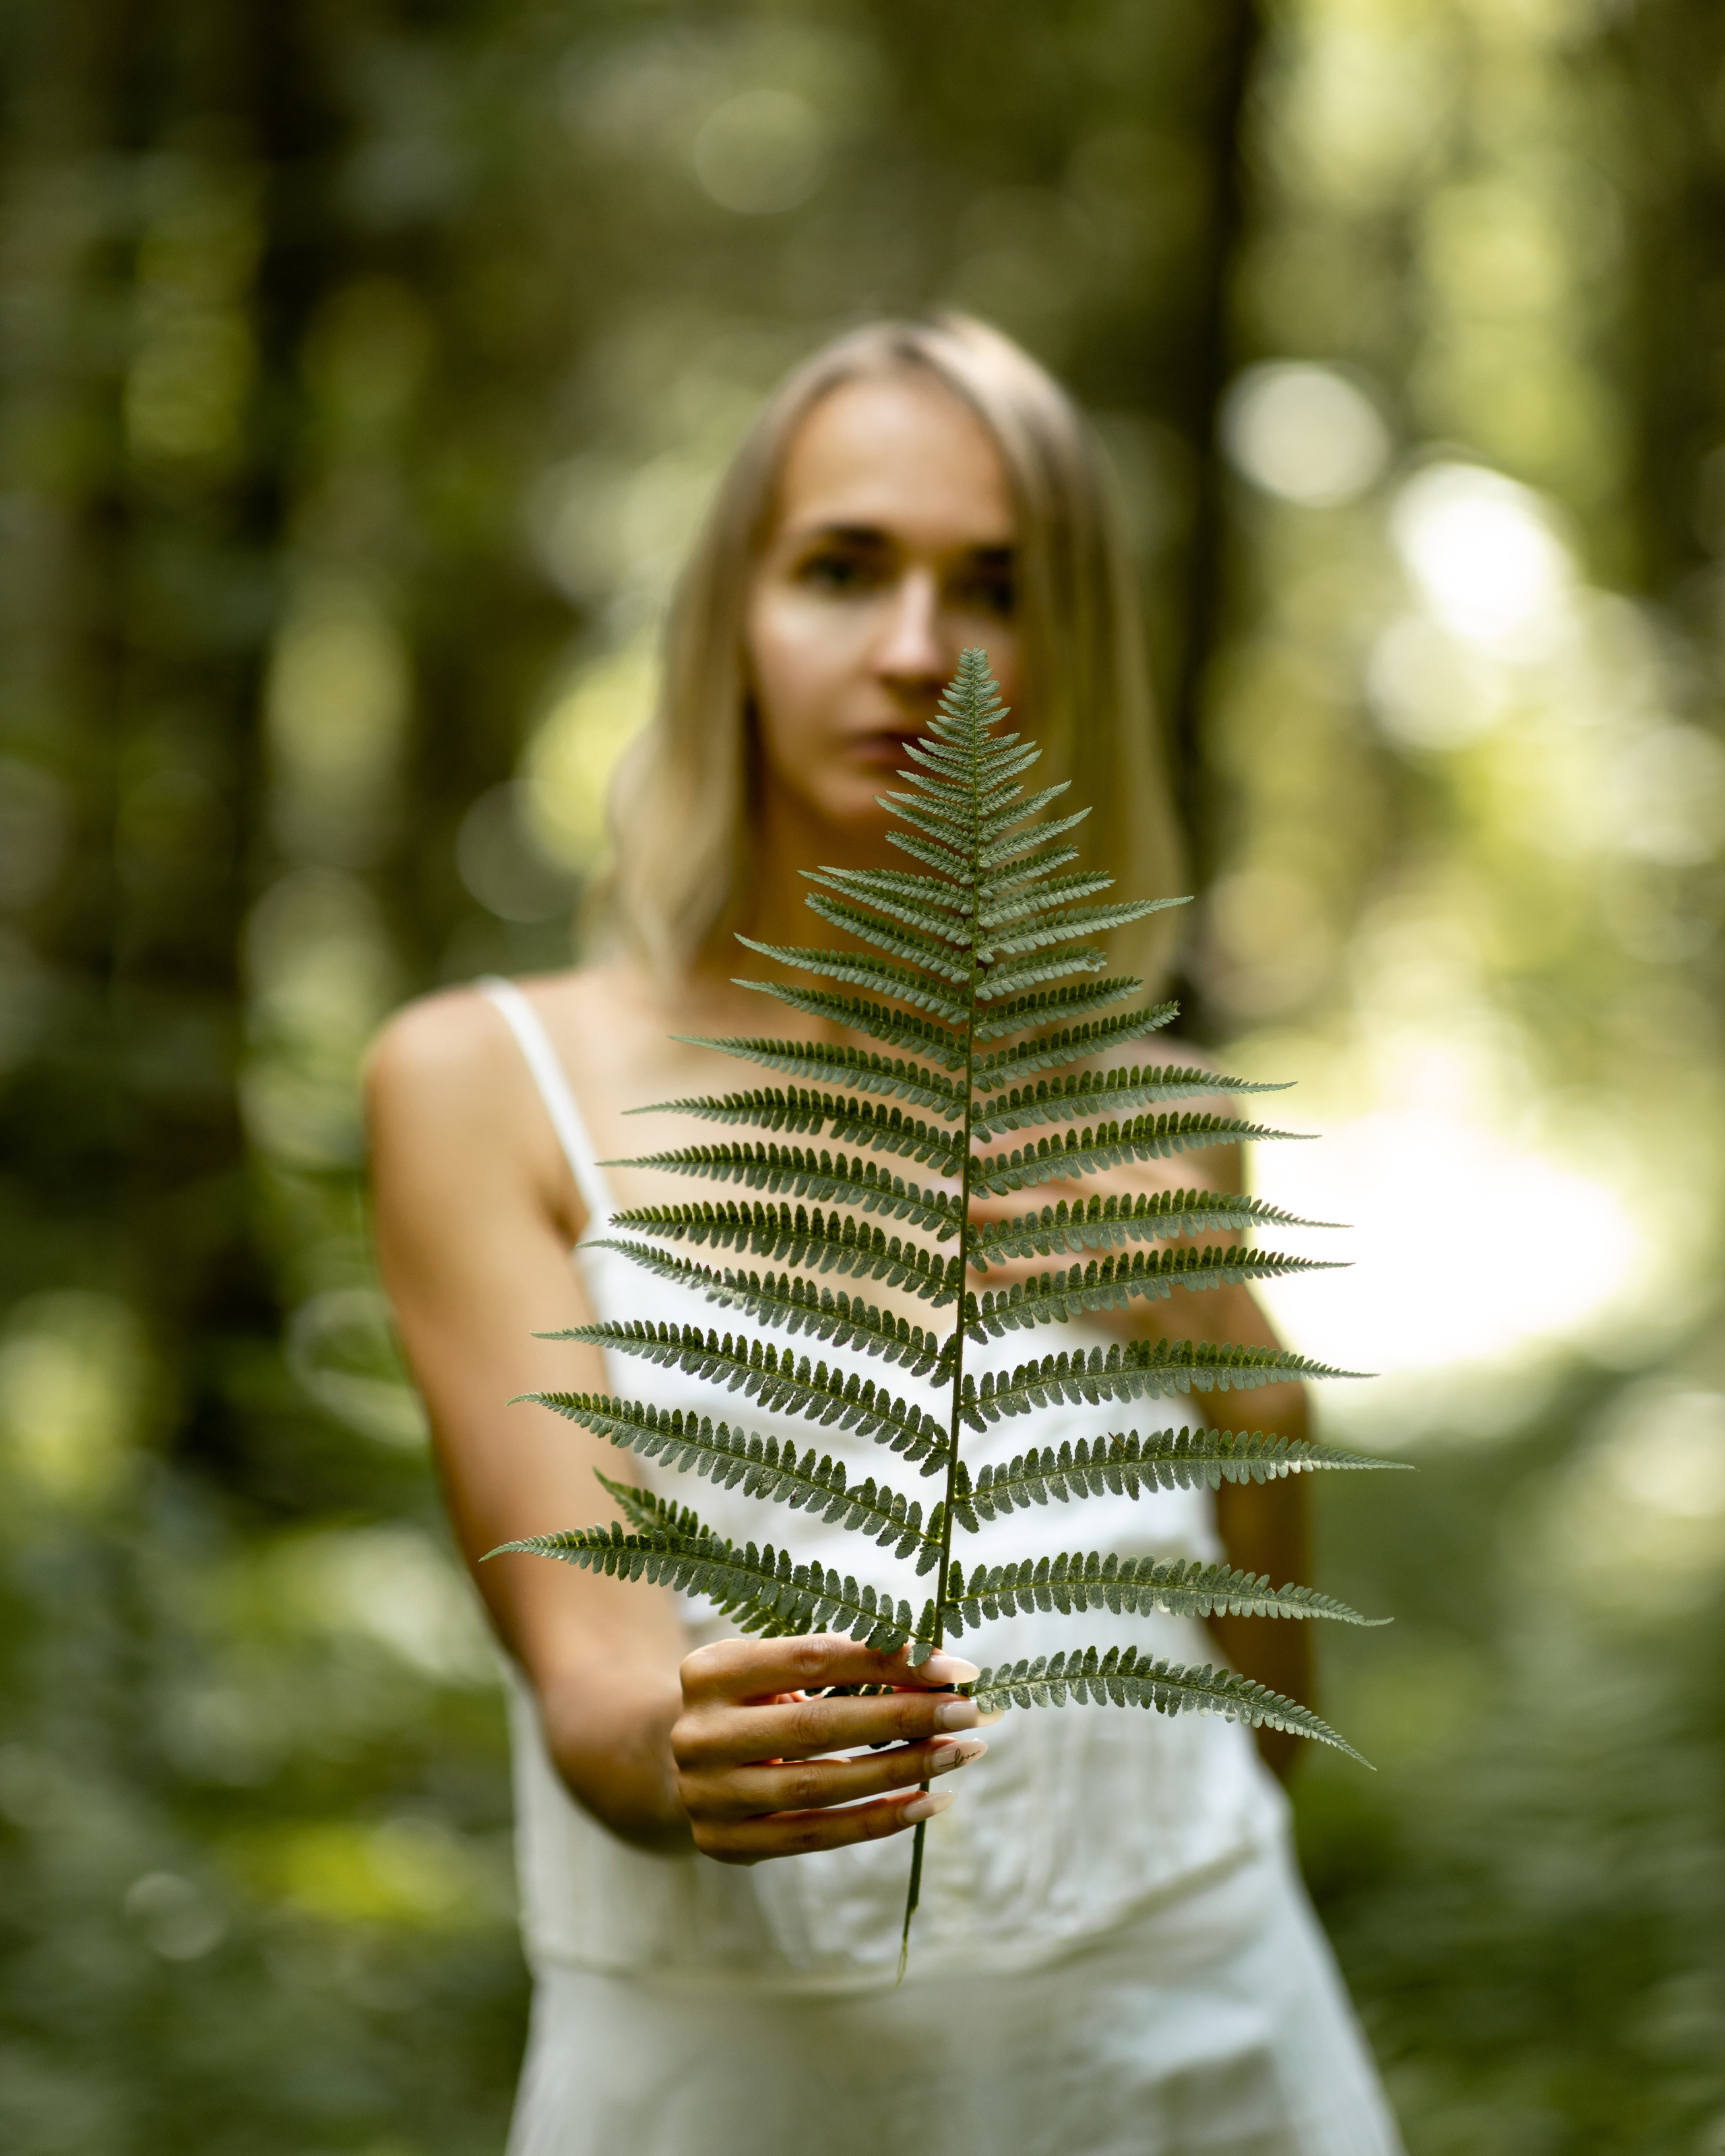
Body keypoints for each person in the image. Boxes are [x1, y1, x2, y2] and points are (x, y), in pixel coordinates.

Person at [367, 315, 1404, 2155]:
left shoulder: (1160, 1124)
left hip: (1213, 2065)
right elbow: (597, 1691)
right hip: (733, 2100)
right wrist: (699, 1753)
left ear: (1059, 647)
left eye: (992, 588)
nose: (917, 651)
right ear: (731, 618)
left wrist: (1244, 1380)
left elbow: (1265, 1741)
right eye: (842, 568)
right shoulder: (484, 1082)